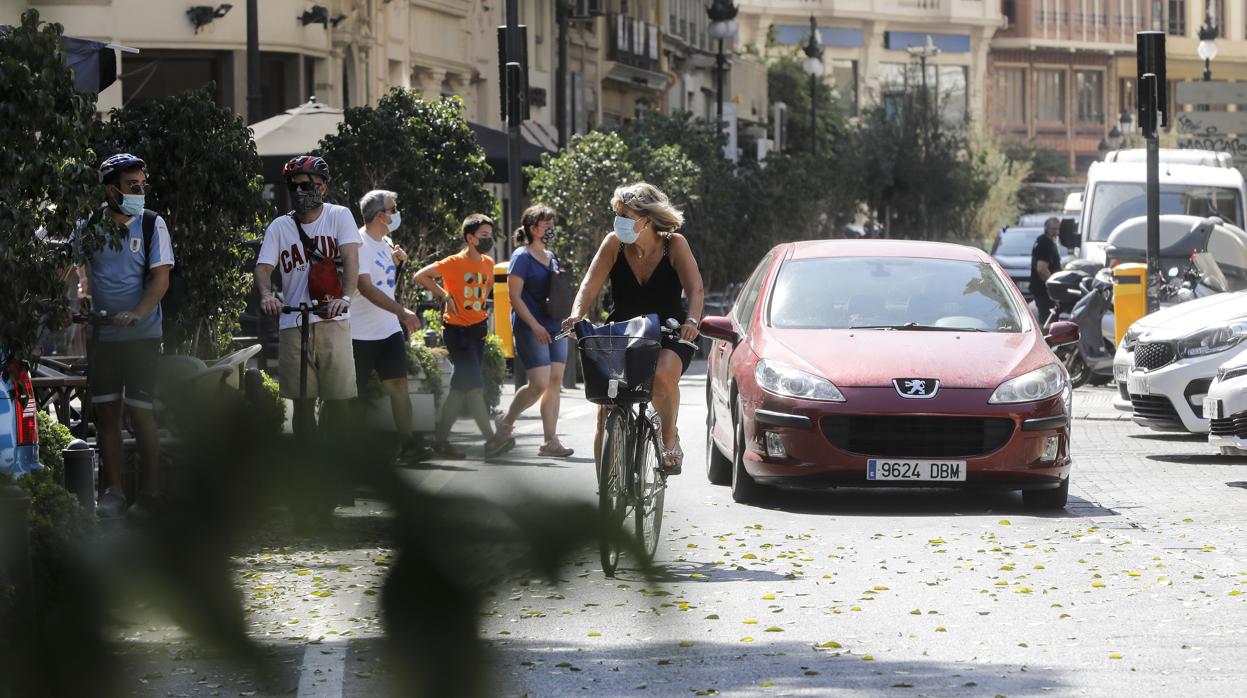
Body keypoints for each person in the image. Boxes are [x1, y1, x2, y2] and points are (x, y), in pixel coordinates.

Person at [561, 182, 704, 474]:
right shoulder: (614, 243)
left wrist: (691, 321)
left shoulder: (674, 244)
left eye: (625, 215)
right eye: (618, 214)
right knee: (607, 406)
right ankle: (606, 487)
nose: (619, 221)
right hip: (623, 333)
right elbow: (589, 283)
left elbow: (696, 288)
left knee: (663, 374)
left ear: (647, 219)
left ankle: (668, 436)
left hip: (669, 332)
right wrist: (577, 314)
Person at [75, 153, 175, 517]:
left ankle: (151, 490)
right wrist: (81, 298)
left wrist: (136, 314)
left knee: (141, 411)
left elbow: (160, 279)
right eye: (133, 187)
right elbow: (80, 273)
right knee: (107, 414)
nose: (140, 192)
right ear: (111, 190)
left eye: (142, 186)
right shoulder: (88, 226)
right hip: (103, 337)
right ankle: (114, 491)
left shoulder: (151, 225)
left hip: (142, 336)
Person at [255, 155, 361, 437]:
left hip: (332, 317)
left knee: (339, 402)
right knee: (302, 403)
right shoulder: (280, 226)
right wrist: (267, 295)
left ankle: (339, 466)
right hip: (294, 323)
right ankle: (307, 466)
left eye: (306, 185)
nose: (299, 192)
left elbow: (351, 260)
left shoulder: (339, 216)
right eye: (294, 186)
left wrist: (346, 299)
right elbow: (263, 267)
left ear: (322, 187)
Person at [414, 214, 515, 460]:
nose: (488, 239)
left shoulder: (488, 262)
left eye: (490, 235)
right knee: (475, 389)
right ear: (470, 238)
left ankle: (439, 442)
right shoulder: (453, 262)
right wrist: (445, 295)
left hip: (477, 331)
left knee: (460, 390)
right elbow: (420, 276)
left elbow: (486, 289)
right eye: (483, 235)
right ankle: (491, 441)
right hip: (457, 332)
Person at [494, 205, 575, 457]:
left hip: (555, 324)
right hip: (531, 327)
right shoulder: (521, 256)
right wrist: (535, 325)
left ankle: (550, 441)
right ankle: (506, 422)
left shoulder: (551, 257)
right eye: (546, 224)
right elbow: (514, 297)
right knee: (538, 383)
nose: (551, 228)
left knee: (554, 382)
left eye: (552, 224)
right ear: (532, 228)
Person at [352, 189, 426, 460]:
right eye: (393, 209)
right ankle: (344, 453)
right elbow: (366, 288)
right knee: (350, 396)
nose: (396, 214)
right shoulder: (357, 243)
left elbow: (386, 284)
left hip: (388, 331)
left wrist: (399, 265)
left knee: (399, 387)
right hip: (358, 333)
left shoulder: (386, 244)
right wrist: (403, 312)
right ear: (380, 215)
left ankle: (408, 445)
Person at [1031, 217, 1063, 325]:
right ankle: (1045, 341)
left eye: (1058, 229)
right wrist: (1054, 288)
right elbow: (1042, 269)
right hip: (1044, 291)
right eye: (1054, 229)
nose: (1057, 232)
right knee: (1048, 321)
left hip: (1040, 289)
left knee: (1046, 319)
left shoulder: (1041, 240)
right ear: (1047, 228)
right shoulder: (1046, 243)